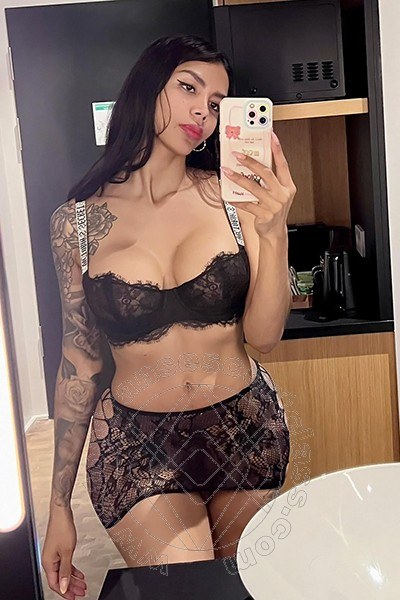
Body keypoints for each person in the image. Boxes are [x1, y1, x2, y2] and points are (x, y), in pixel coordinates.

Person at [41, 34, 296, 599]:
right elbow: (79, 365)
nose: (202, 112)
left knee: (246, 588)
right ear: (148, 86)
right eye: (188, 88)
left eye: (216, 104)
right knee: (189, 593)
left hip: (245, 429)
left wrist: (274, 232)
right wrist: (59, 507)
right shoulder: (76, 225)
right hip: (138, 448)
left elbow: (265, 336)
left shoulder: (235, 200)